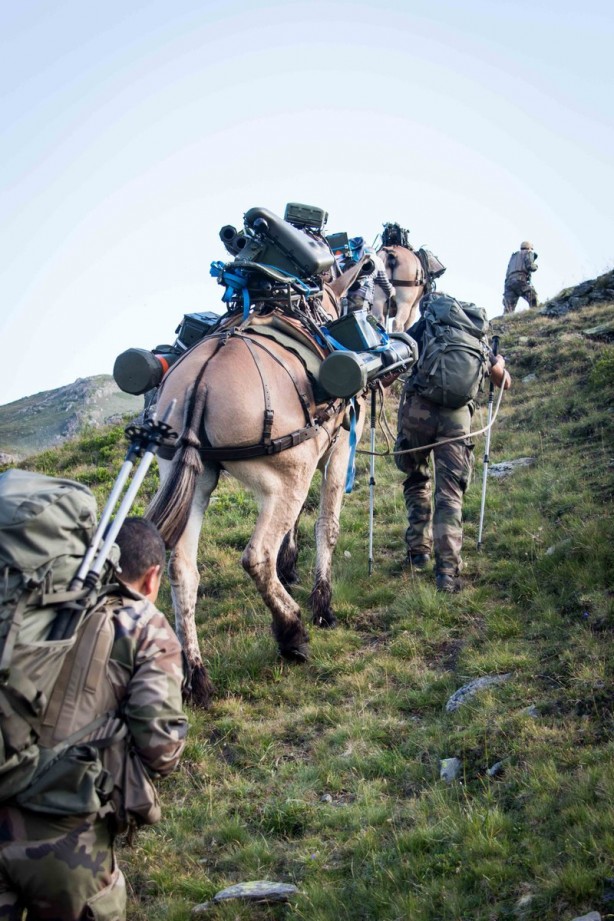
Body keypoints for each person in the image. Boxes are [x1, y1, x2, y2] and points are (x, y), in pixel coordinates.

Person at [0, 517, 188, 920]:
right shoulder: (144, 627)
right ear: (153, 577)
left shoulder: (32, 601)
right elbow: (162, 750)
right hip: (64, 839)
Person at [394, 304, 511, 593]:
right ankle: (446, 572)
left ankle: (418, 551)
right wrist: (500, 365)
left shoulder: (427, 327)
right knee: (450, 494)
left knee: (416, 478)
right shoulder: (478, 339)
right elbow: (504, 383)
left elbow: (396, 360)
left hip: (417, 412)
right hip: (457, 419)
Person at [338, 236, 396, 313]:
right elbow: (384, 283)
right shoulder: (376, 259)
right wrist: (392, 291)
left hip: (339, 299)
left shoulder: (342, 259)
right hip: (360, 299)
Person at [502, 241, 538, 313]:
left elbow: (507, 271)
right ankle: (535, 316)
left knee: (508, 309)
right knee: (533, 298)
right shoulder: (528, 253)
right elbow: (530, 266)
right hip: (520, 280)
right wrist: (536, 266)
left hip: (508, 284)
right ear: (529, 248)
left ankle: (506, 322)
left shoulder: (513, 256)